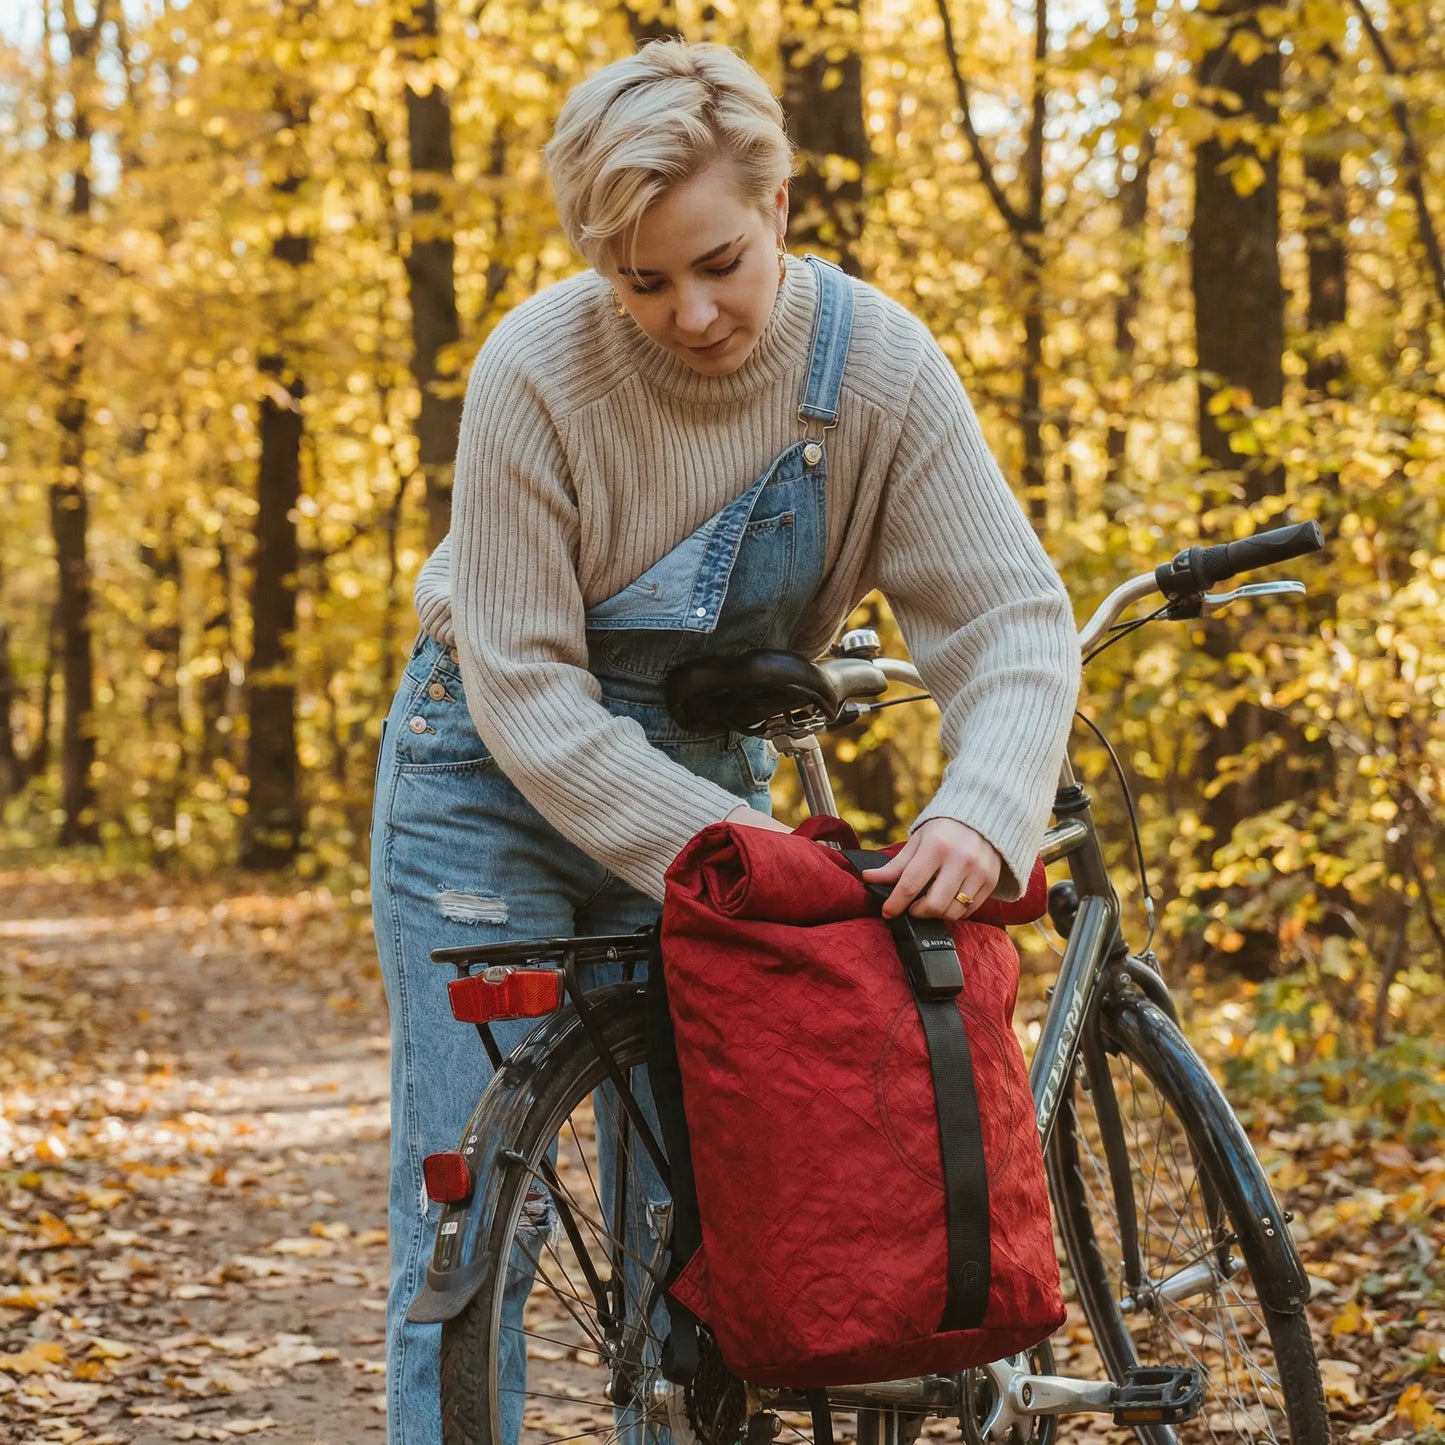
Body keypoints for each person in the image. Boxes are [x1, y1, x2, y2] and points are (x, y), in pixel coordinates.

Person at [369, 36, 1080, 1445]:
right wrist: (738, 847)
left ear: (780, 211)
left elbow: (1009, 618)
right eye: (643, 281)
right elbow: (526, 695)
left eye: (721, 263)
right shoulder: (534, 371)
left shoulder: (875, 368)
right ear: (596, 260)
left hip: (703, 788)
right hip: (483, 781)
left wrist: (977, 809)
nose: (692, 312)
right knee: (464, 1224)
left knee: (698, 1226)